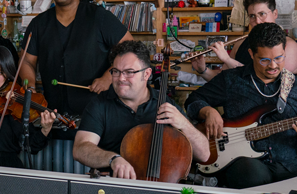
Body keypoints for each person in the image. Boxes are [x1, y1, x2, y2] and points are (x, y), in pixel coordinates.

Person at [185, 23, 297, 189]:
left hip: (288, 165)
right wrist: (208, 111)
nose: (273, 66)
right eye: (265, 60)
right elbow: (193, 100)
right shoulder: (231, 80)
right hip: (245, 166)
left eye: (279, 58)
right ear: (251, 54)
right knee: (252, 174)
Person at [73, 40, 209, 179]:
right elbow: (80, 148)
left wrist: (184, 124)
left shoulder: (165, 105)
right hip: (114, 187)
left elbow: (204, 155)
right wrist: (112, 159)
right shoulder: (100, 104)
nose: (121, 78)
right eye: (116, 71)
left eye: (129, 72)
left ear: (147, 74)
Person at [19, 0, 132, 118]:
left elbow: (130, 48)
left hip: (95, 110)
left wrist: (109, 77)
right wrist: (30, 88)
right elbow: (26, 61)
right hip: (53, 111)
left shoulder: (98, 16)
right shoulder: (39, 23)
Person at [192, 0, 297, 80]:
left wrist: (227, 60)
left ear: (275, 14)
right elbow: (223, 79)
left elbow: (267, 80)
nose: (257, 21)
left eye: (262, 14)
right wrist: (203, 70)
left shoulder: (290, 46)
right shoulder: (240, 44)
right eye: (252, 16)